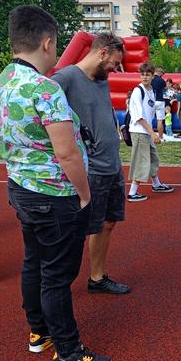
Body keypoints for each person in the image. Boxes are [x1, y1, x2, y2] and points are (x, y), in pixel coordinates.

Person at [0, 5, 110, 361]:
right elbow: (66, 151)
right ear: (47, 42)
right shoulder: (44, 89)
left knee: (34, 263)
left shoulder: (2, 83)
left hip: (22, 188)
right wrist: (85, 194)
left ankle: (38, 332)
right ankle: (68, 352)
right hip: (55, 195)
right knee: (58, 274)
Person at [52, 33, 131, 296]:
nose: (115, 69)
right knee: (79, 229)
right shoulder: (66, 78)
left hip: (112, 165)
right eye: (114, 63)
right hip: (91, 169)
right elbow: (41, 107)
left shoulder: (101, 80)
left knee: (107, 223)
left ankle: (97, 278)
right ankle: (57, 287)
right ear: (103, 52)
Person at [126, 62, 175, 202]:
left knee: (153, 158)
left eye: (147, 74)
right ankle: (132, 192)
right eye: (142, 74)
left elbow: (149, 114)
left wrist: (151, 132)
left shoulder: (151, 91)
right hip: (139, 131)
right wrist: (153, 133)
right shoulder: (138, 91)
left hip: (146, 131)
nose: (145, 77)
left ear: (153, 75)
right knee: (141, 160)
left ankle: (156, 184)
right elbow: (139, 117)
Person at [151, 66, 166, 139]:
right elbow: (165, 88)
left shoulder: (151, 79)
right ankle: (160, 137)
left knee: (148, 119)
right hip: (160, 101)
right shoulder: (162, 80)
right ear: (160, 72)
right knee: (160, 120)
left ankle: (149, 135)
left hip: (151, 101)